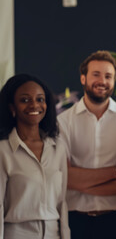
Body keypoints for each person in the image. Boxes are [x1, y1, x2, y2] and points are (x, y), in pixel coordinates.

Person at [58, 51, 116, 239]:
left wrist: (79, 179)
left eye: (108, 76)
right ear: (83, 78)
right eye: (96, 74)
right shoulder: (63, 121)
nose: (102, 81)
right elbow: (64, 178)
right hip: (75, 222)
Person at [0, 74, 70, 238]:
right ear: (12, 107)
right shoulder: (3, 150)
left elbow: (62, 202)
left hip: (53, 233)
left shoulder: (58, 147)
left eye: (40, 99)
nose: (34, 105)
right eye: (24, 100)